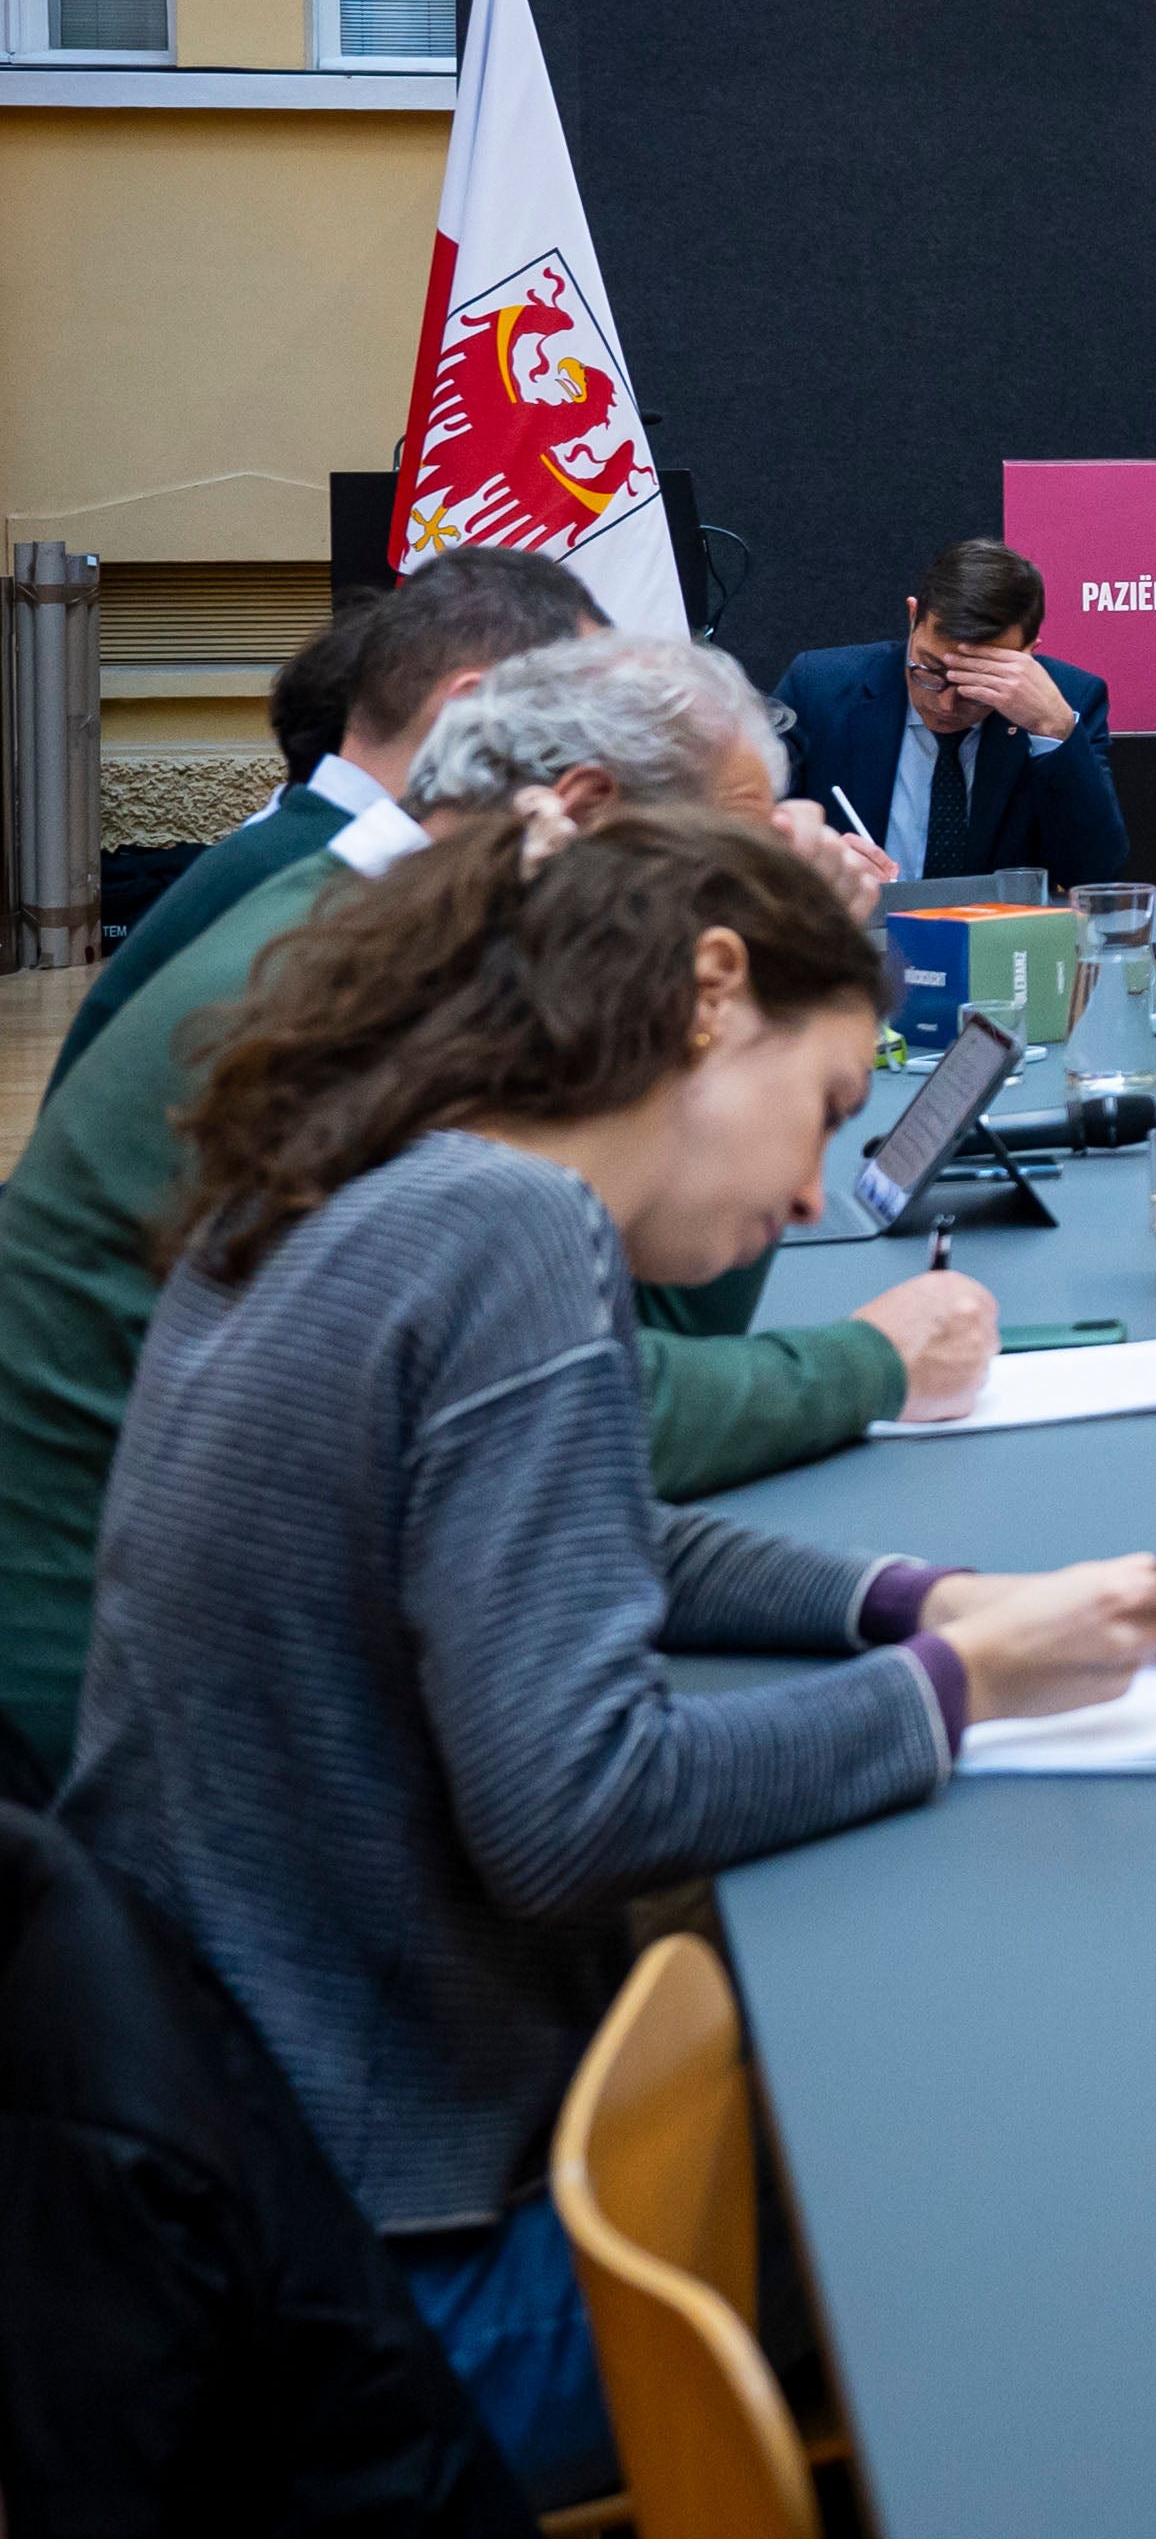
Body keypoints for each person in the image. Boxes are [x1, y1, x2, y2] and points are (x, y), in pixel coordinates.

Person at [57, 804, 1156, 2503]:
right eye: (824, 1102)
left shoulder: (366, 1171)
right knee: (1033, 2182)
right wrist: (966, 1687)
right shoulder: (508, 1231)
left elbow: (578, 1519)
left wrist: (915, 1601)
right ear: (711, 991)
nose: (817, 1189)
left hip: (231, 2222)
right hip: (394, 2309)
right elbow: (578, 1806)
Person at [0, 634, 988, 1797]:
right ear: (588, 814)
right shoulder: (358, 1004)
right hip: (121, 1748)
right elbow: (605, 1413)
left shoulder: (387, 934)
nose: (752, 892)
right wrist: (871, 1369)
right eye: (729, 854)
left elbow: (571, 1399)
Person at [54, 549, 602, 1081]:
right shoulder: (336, 889)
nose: (600, 750)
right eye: (582, 708)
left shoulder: (306, 854)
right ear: (470, 709)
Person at [776, 534, 1129, 886]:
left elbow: (1095, 875)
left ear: (1028, 654)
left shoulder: (1070, 701)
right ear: (913, 616)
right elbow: (753, 830)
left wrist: (1053, 730)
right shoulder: (820, 688)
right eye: (930, 670)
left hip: (999, 921)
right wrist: (815, 857)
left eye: (977, 686)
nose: (946, 704)